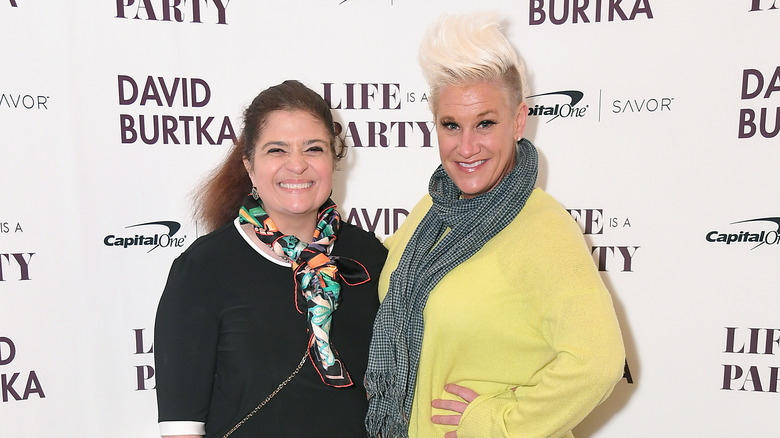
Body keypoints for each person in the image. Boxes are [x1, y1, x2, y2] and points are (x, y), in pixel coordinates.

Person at [364, 13, 625, 438]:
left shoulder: (544, 228)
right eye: (451, 125)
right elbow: (380, 264)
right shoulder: (433, 210)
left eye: (485, 123)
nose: (466, 147)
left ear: (519, 120)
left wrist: (499, 425)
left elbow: (598, 362)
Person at [154, 80, 387, 438]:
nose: (297, 165)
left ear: (333, 159)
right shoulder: (203, 269)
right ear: (249, 167)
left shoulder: (370, 258)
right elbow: (181, 426)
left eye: (313, 148)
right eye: (277, 150)